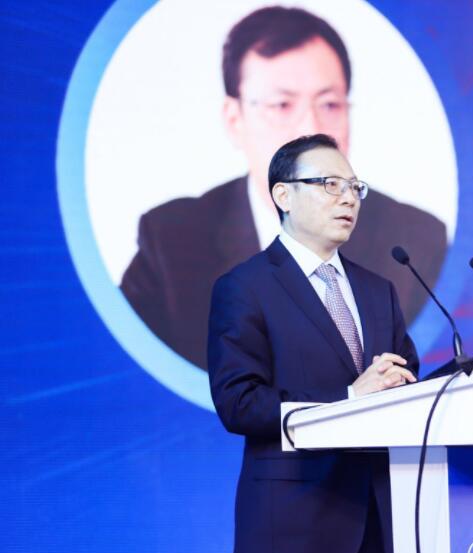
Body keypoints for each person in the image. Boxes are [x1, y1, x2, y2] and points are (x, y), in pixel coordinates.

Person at [122, 5, 447, 369]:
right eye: (282, 105)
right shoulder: (171, 241)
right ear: (234, 119)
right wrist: (349, 395)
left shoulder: (414, 241)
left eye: (329, 104)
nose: (310, 127)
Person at [208, 133, 417, 553]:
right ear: (283, 195)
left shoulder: (379, 290)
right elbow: (239, 403)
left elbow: (406, 384)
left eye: (355, 187)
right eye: (329, 184)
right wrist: (348, 401)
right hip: (289, 538)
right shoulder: (245, 287)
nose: (348, 198)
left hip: (379, 539)